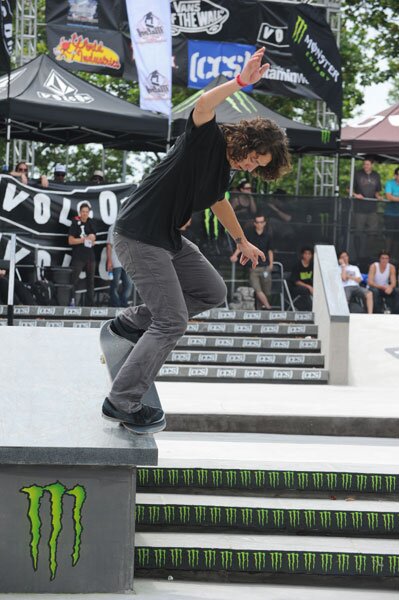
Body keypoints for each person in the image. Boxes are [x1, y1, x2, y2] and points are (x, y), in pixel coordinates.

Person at [101, 47, 291, 434]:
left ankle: (131, 324)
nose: (252, 166)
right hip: (138, 234)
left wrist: (242, 240)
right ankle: (122, 401)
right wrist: (240, 82)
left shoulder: (226, 174)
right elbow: (204, 104)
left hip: (167, 238)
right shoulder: (207, 139)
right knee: (172, 320)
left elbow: (219, 202)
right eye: (254, 157)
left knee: (212, 290)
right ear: (247, 139)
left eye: (259, 167)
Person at [230, 213, 273, 309]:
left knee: (266, 291)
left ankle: (262, 309)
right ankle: (268, 307)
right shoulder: (249, 234)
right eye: (257, 222)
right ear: (254, 223)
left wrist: (271, 264)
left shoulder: (268, 236)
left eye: (261, 222)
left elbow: (270, 250)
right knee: (257, 289)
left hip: (264, 267)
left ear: (264, 223)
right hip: (253, 267)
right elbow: (242, 245)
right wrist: (235, 255)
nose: (259, 224)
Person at [352, 157, 383, 259]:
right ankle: (357, 256)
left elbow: (377, 191)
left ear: (372, 165)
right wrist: (356, 195)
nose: (365, 166)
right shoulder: (357, 174)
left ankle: (369, 256)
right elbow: (349, 188)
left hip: (372, 209)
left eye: (368, 164)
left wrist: (378, 196)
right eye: (364, 164)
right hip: (359, 209)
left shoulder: (376, 175)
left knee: (373, 233)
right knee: (358, 232)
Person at [68, 203, 96, 306]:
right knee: (74, 280)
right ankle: (72, 301)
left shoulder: (91, 222)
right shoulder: (75, 222)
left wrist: (91, 238)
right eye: (83, 212)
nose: (85, 214)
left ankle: (91, 305)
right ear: (80, 212)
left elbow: (94, 238)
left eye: (87, 212)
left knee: (91, 281)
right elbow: (70, 240)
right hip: (78, 256)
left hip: (90, 256)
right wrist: (83, 240)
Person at [106, 222, 133, 307]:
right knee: (115, 284)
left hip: (126, 262)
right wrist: (109, 260)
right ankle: (116, 305)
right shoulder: (113, 227)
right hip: (115, 260)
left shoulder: (129, 227)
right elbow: (109, 245)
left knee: (129, 284)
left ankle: (123, 302)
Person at [384, 167, 399, 261]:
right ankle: (386, 257)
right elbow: (389, 197)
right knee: (389, 236)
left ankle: (395, 258)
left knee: (397, 237)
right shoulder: (389, 183)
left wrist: (395, 198)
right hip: (390, 215)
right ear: (396, 175)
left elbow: (393, 197)